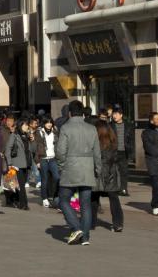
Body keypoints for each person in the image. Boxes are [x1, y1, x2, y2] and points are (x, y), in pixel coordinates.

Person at [56, 100, 101, 245]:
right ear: (82, 113)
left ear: (69, 112)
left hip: (70, 167)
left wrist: (62, 165)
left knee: (63, 199)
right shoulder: (91, 128)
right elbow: (97, 152)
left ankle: (76, 227)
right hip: (87, 168)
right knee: (85, 204)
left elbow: (61, 151)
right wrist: (97, 168)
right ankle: (85, 237)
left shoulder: (65, 128)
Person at [92, 120, 124, 232]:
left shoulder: (95, 143)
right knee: (114, 198)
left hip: (98, 173)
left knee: (94, 198)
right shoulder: (113, 142)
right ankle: (118, 223)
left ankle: (91, 222)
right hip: (111, 173)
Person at [4, 117, 31, 210]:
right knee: (21, 186)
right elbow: (8, 149)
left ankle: (13, 200)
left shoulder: (27, 136)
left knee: (18, 185)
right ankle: (24, 204)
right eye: (26, 124)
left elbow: (31, 150)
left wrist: (32, 139)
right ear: (20, 126)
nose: (27, 126)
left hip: (26, 163)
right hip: (17, 164)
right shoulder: (14, 135)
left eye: (28, 124)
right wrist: (9, 163)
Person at [110, 106, 131, 197]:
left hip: (123, 151)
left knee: (124, 171)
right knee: (113, 171)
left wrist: (131, 150)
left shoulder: (128, 125)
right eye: (113, 114)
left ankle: (123, 189)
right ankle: (114, 189)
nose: (114, 116)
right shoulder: (110, 125)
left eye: (116, 114)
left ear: (121, 115)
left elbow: (131, 139)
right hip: (113, 151)